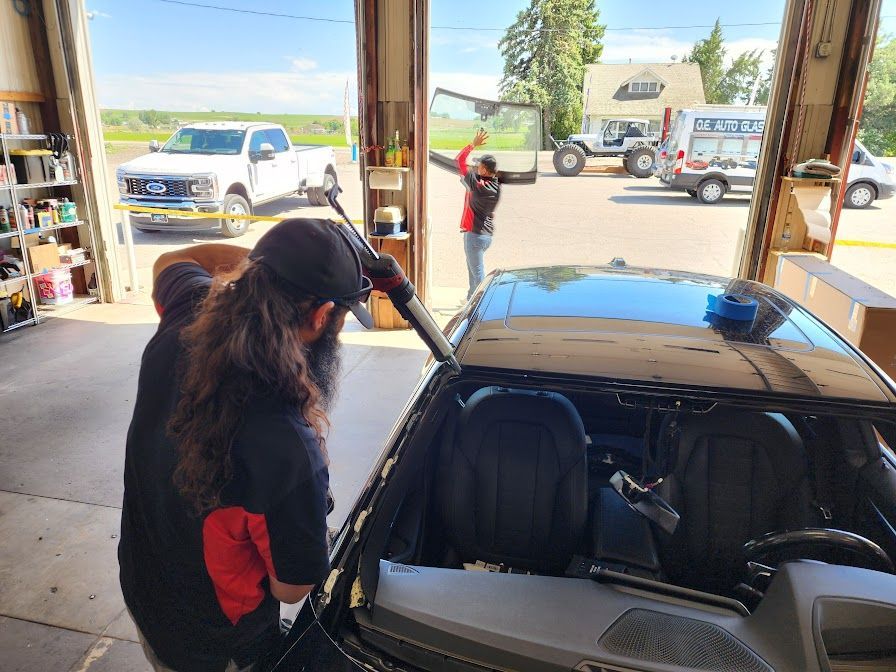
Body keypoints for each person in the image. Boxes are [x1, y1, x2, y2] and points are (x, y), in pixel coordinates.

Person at [118, 218, 374, 672]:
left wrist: (264, 262)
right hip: (216, 644)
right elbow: (290, 588)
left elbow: (170, 260)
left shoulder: (187, 308)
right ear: (321, 316)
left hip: (144, 581)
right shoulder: (289, 448)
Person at [456, 129, 501, 299]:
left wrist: (472, 145)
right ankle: (470, 300)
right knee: (473, 272)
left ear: (484, 169)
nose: (476, 167)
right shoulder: (495, 186)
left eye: (479, 165)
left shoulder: (477, 185)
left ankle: (482, 305)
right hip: (485, 236)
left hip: (474, 236)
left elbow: (459, 161)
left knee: (478, 276)